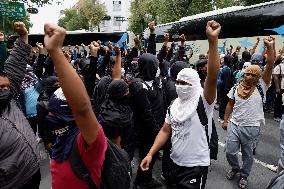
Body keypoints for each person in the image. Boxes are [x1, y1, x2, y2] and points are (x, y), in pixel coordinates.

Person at [139, 20, 221, 189]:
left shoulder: (203, 100)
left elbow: (212, 76)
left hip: (195, 167)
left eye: (185, 83)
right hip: (173, 164)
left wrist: (212, 41)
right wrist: (150, 153)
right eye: (178, 82)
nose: (179, 86)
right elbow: (164, 130)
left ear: (195, 84)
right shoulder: (174, 105)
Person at [44, 23, 107, 189]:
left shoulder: (90, 143)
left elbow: (83, 110)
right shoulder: (61, 141)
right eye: (51, 113)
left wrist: (55, 51)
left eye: (56, 115)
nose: (51, 118)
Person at [222, 36, 275, 189]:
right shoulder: (236, 87)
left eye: (254, 74)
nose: (250, 76)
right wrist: (225, 120)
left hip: (252, 127)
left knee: (248, 155)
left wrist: (270, 48)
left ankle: (244, 175)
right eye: (247, 73)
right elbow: (229, 105)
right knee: (230, 152)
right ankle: (235, 168)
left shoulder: (262, 85)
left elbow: (270, 64)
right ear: (244, 74)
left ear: (259, 76)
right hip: (235, 124)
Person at [0, 22, 41, 189]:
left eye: (5, 86)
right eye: (0, 88)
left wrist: (23, 36)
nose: (4, 90)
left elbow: (15, 66)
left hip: (32, 171)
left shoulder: (8, 96)